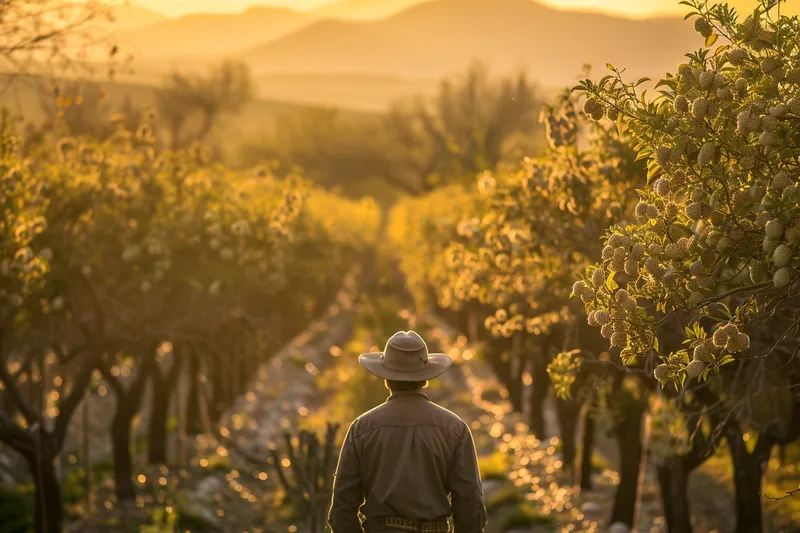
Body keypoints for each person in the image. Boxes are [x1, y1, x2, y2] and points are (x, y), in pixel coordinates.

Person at [327, 330, 487, 533]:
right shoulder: (455, 429)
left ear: (385, 378)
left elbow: (342, 508)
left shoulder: (361, 428)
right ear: (425, 378)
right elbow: (470, 503)